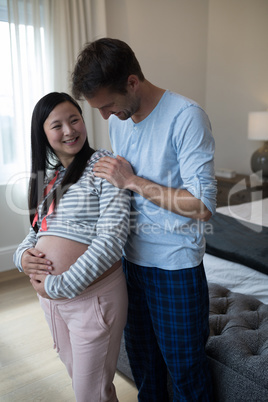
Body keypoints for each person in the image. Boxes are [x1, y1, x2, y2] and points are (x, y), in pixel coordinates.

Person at [71, 38, 217, 402]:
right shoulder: (120, 121)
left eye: (107, 106)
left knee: (186, 375)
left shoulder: (186, 117)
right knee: (144, 370)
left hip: (174, 267)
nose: (104, 117)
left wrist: (133, 181)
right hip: (128, 264)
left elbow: (201, 205)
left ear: (132, 82)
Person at [13, 92, 131, 402]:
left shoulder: (106, 166)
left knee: (89, 393)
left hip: (91, 297)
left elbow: (112, 240)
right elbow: (35, 232)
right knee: (85, 384)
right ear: (43, 134)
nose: (69, 130)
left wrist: (60, 285)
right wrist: (22, 257)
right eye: (57, 125)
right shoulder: (52, 179)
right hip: (53, 302)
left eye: (74, 119)